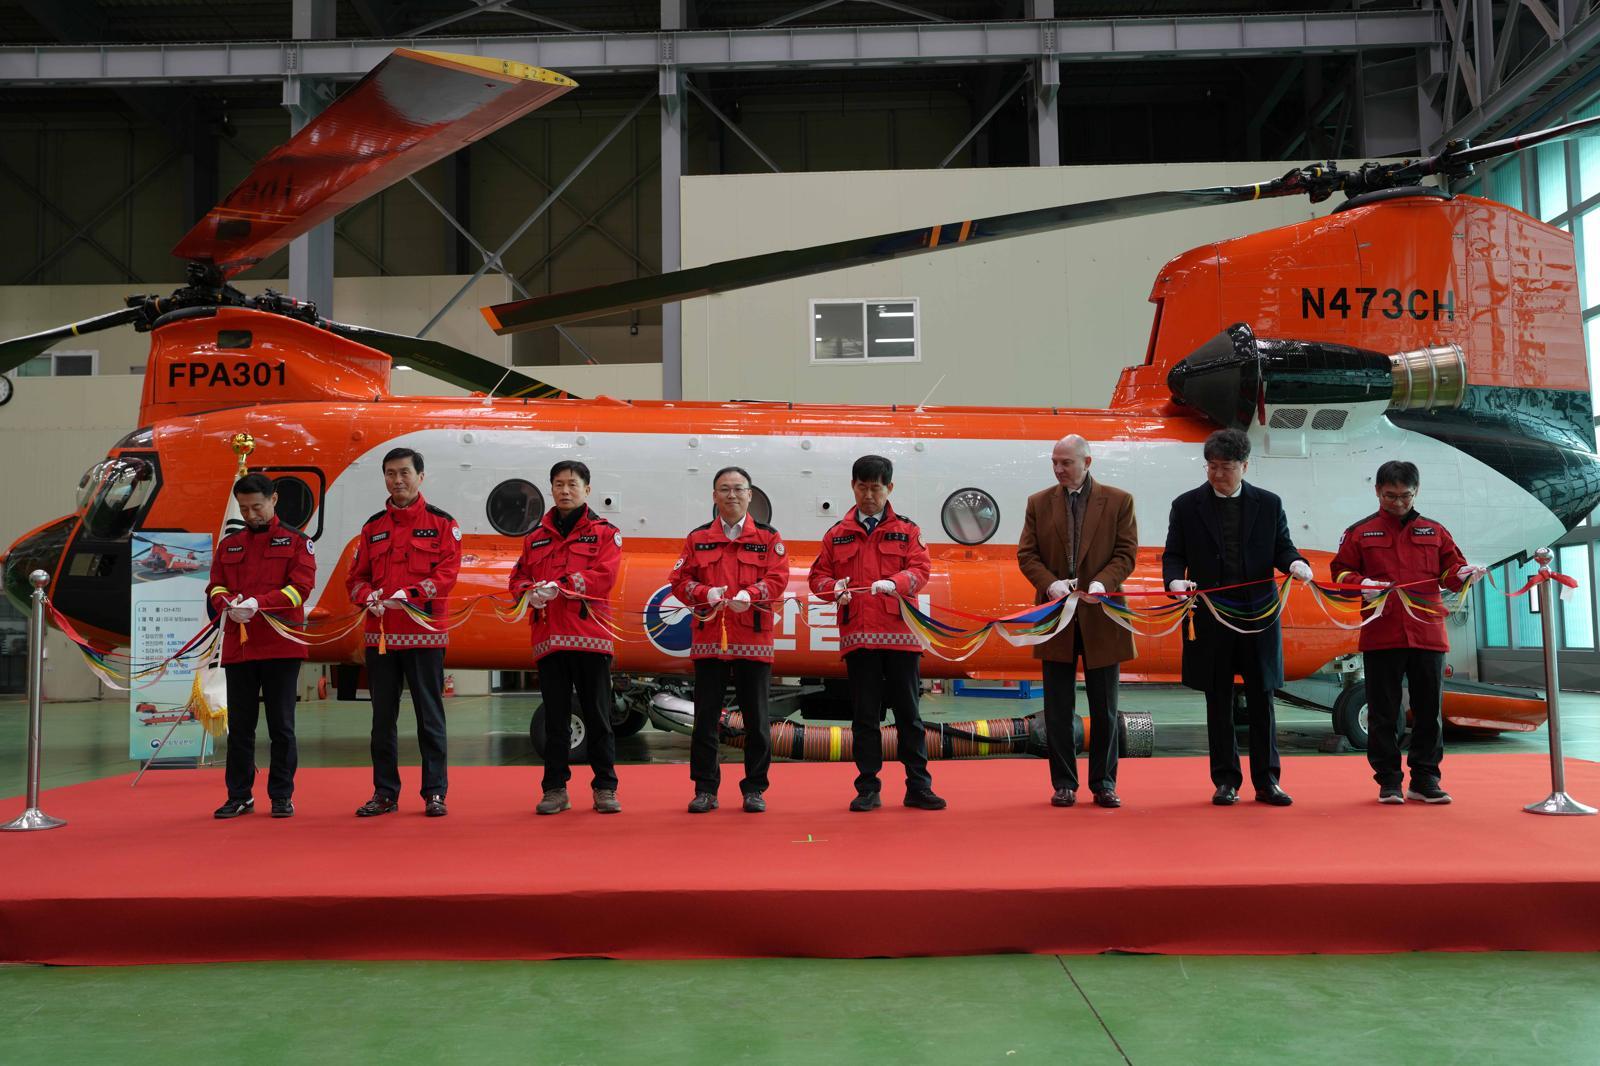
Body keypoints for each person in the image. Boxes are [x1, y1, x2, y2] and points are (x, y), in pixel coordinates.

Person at [1162, 428, 1312, 807]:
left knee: (1263, 697)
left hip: (1258, 616)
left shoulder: (1269, 503)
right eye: (1211, 467)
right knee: (1218, 698)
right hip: (1210, 615)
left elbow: (1283, 547)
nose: (1216, 475)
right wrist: (1175, 581)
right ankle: (1225, 779)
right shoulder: (1186, 505)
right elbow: (1173, 555)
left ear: (1245, 465)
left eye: (1225, 467)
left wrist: (1295, 563)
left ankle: (1267, 781)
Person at [1330, 461, 1479, 804]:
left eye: (1405, 496)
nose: (1397, 502)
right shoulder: (1361, 532)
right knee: (1383, 712)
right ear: (1377, 492)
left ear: (1417, 491)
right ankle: (1389, 781)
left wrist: (1464, 574)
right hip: (1383, 633)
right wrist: (1360, 583)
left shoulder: (1435, 531)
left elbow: (1450, 573)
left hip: (1427, 632)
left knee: (1429, 712)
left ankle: (1425, 779)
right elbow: (1339, 574)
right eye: (1390, 495)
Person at [809, 454, 945, 812]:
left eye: (876, 487)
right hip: (860, 638)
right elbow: (817, 578)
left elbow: (920, 570)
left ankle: (918, 785)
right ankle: (867, 787)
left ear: (890, 488)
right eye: (863, 487)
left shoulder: (907, 531)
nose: (869, 494)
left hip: (901, 637)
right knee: (865, 718)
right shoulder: (836, 535)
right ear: (853, 487)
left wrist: (895, 583)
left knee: (909, 717)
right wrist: (831, 588)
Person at [1017, 435, 1138, 809]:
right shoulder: (1038, 503)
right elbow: (1027, 554)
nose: (1058, 469)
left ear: (1087, 461)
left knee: (1104, 706)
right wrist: (1048, 584)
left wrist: (1104, 582)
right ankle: (1064, 783)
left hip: (1102, 614)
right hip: (1055, 617)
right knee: (1057, 707)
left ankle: (1104, 783)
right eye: (1054, 462)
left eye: (1065, 462)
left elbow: (1126, 552)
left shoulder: (1119, 501)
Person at [345, 447, 460, 818]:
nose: (398, 480)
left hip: (425, 635)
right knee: (382, 720)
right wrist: (368, 596)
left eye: (405, 473)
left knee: (430, 716)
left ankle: (435, 793)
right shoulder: (372, 527)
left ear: (420, 477)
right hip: (381, 636)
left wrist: (408, 596)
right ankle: (384, 793)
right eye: (391, 473)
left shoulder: (443, 524)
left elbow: (446, 576)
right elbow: (356, 578)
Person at [669, 466, 791, 814]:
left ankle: (755, 788)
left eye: (739, 489)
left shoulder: (769, 538)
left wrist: (752, 595)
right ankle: (705, 789)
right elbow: (679, 580)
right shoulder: (697, 539)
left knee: (756, 719)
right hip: (710, 640)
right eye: (724, 489)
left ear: (751, 495)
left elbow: (779, 579)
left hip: (753, 639)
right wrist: (705, 592)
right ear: (714, 496)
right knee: (705, 720)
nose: (732, 495)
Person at [509, 460, 624, 815]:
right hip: (550, 639)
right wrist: (529, 592)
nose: (564, 490)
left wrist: (560, 587)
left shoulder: (605, 533)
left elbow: (604, 576)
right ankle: (555, 790)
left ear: (587, 489)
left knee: (598, 716)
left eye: (572, 484)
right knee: (556, 719)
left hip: (590, 638)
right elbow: (517, 579)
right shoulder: (535, 537)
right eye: (558, 484)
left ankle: (605, 788)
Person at [206, 474, 315, 819]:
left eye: (257, 507)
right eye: (244, 508)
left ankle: (281, 794)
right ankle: (239, 795)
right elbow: (214, 586)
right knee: (240, 727)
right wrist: (227, 604)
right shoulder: (230, 545)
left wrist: (258, 603)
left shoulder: (297, 542)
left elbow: (301, 589)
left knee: (281, 726)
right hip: (240, 647)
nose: (251, 514)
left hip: (281, 645)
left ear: (274, 500)